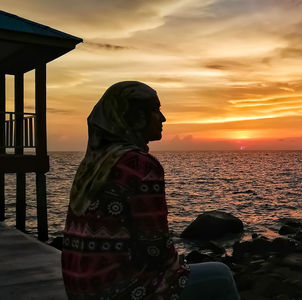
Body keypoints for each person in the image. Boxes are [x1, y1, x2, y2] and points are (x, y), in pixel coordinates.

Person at [62, 81, 240, 300]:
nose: (163, 118)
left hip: (81, 289)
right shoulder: (140, 165)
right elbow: (156, 248)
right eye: (155, 110)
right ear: (134, 116)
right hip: (121, 291)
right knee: (221, 276)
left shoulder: (94, 163)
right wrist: (178, 266)